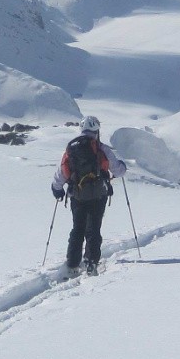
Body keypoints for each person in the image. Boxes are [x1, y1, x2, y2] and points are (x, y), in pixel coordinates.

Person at [50, 116, 127, 275]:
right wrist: (123, 166)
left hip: (77, 195)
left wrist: (57, 189)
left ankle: (72, 263)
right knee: (93, 228)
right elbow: (118, 171)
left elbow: (62, 172)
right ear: (97, 130)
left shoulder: (71, 149)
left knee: (77, 228)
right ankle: (91, 263)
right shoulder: (102, 149)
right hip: (98, 195)